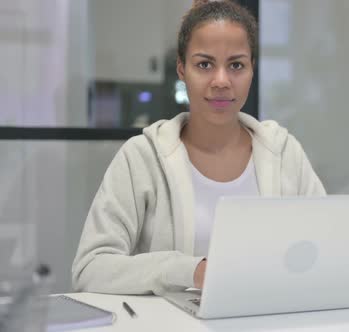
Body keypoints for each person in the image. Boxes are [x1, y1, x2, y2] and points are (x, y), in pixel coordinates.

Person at [71, 0, 325, 295]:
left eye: (236, 65)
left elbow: (324, 250)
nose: (221, 81)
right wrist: (192, 271)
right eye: (204, 64)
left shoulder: (284, 153)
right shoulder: (141, 157)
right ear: (181, 68)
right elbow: (90, 269)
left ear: (252, 70)